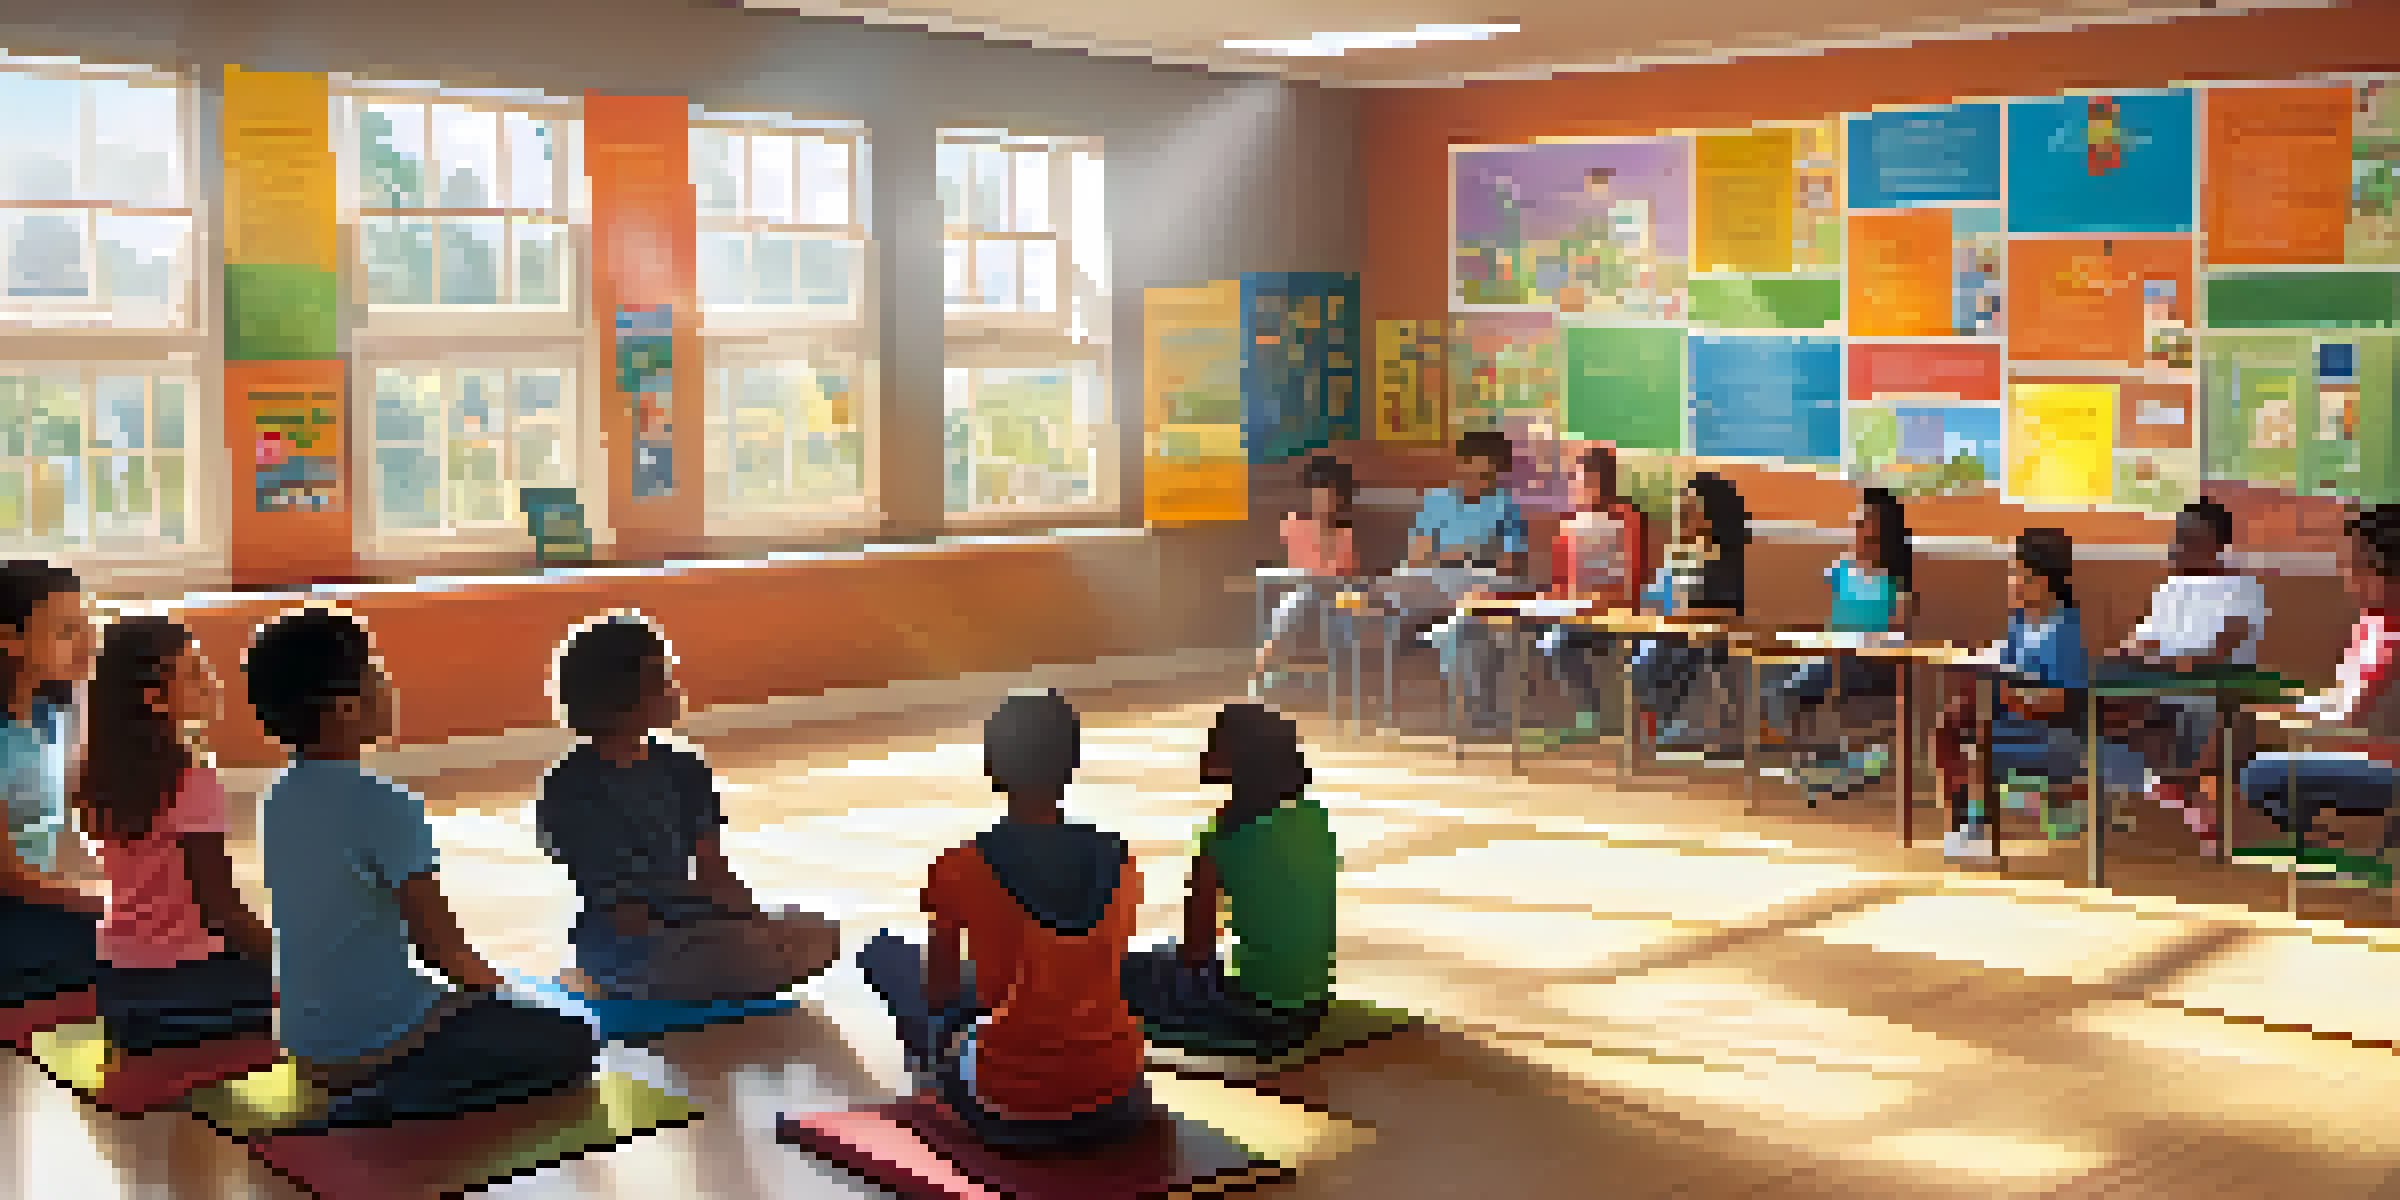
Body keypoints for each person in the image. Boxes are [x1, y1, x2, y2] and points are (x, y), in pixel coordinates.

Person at [247, 608, 597, 1132]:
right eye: (375, 671)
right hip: (382, 1045)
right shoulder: (385, 804)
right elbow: (443, 951)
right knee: (574, 1039)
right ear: (346, 706)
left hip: (306, 1045)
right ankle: (395, 1099)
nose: (387, 684)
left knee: (470, 1012)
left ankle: (391, 1084)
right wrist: (510, 1000)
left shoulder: (278, 797)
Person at [854, 691, 1151, 1152]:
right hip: (1120, 1093)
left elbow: (940, 993)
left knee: (884, 955)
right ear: (1071, 765)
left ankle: (941, 1074)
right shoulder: (1122, 859)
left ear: (992, 766)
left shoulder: (960, 865)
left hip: (1012, 1101)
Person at [537, 614, 840, 1008]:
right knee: (738, 953)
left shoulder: (683, 767)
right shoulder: (572, 788)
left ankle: (734, 967)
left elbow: (714, 871)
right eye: (660, 678)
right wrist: (725, 932)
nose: (672, 689)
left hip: (693, 922)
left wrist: (754, 920)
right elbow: (625, 911)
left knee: (818, 931)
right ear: (625, 692)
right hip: (630, 944)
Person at [78, 617, 276, 1057]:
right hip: (188, 990)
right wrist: (293, 962)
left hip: (118, 989)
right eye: (192, 672)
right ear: (153, 698)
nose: (209, 680)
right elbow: (220, 909)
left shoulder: (94, 776)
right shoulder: (191, 780)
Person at [1122, 704, 1336, 1061]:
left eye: (1214, 742)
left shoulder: (1222, 836)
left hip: (1255, 1008)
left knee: (1127, 970)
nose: (1205, 750)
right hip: (1312, 1001)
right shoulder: (1313, 817)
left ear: (1236, 759)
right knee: (1156, 959)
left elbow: (1196, 950)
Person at [1935, 529, 2144, 860]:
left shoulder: (2065, 633)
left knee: (1981, 742)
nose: (2014, 583)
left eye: (2025, 576)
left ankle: (1978, 828)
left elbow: (2059, 703)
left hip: (2055, 737)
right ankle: (1962, 825)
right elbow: (2006, 668)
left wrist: (2009, 697)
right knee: (1951, 723)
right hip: (2017, 722)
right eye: (2013, 573)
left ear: (2050, 583)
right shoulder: (2020, 623)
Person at [2099, 499, 2267, 856]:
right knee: (2095, 695)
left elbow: (2214, 657)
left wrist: (2159, 660)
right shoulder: (2173, 588)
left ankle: (2182, 796)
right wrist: (2159, 660)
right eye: (2177, 537)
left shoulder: (2243, 589)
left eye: (2190, 539)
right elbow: (2133, 644)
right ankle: (2144, 795)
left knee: (2179, 712)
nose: (2178, 547)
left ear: (2219, 546)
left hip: (2213, 698)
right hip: (2158, 690)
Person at [2238, 504, 2400, 862]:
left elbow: (2352, 716)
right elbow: (2340, 699)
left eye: (2359, 564)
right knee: (2261, 768)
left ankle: (2333, 854)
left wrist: (2287, 720)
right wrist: (2291, 708)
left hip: (2384, 767)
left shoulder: (2391, 636)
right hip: (2357, 755)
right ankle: (2336, 851)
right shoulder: (2370, 623)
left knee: (2260, 775)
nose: (2348, 574)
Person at [1763, 487, 1917, 794]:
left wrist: (1866, 643)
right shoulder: (1839, 570)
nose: (1857, 530)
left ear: (1883, 533)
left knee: (1795, 689)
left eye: (1865, 525)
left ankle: (1825, 759)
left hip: (1873, 663)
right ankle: (1810, 758)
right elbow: (1828, 621)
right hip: (1834, 656)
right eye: (1856, 523)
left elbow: (1900, 633)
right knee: (1774, 672)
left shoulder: (1896, 580)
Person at [0, 561, 102, 1012]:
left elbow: (60, 831)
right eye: (66, 630)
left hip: (40, 902)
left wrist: (120, 883)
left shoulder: (52, 717)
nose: (88, 642)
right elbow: (8, 875)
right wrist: (98, 904)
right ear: (10, 640)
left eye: (86, 625)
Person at [1383, 430, 1529, 735]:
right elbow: (1416, 556)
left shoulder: (1507, 506)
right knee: (1406, 586)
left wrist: (1462, 554)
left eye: (1489, 472)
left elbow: (1511, 563)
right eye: (1474, 467)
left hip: (1483, 584)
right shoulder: (1437, 501)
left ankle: (1469, 708)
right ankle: (1467, 705)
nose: (1479, 477)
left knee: (1463, 622)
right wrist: (1469, 552)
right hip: (1437, 582)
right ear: (1461, 465)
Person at [1529, 446, 1650, 748]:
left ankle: (1606, 720)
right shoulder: (1570, 522)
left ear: (1605, 482)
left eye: (1588, 480)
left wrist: (1603, 599)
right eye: (1578, 481)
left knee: (1566, 638)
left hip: (1619, 616)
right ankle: (1589, 715)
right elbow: (1560, 580)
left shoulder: (1628, 519)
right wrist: (1555, 597)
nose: (1581, 488)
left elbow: (1634, 578)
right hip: (1577, 612)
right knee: (1549, 639)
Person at [1630, 472, 1748, 751]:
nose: (1681, 517)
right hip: (1668, 637)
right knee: (1636, 653)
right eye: (1679, 509)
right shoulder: (1677, 555)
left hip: (1699, 645)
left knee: (1649, 660)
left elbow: (1727, 614)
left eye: (1689, 510)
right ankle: (1660, 724)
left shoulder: (1720, 559)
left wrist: (1678, 619)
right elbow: (1652, 598)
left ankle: (1680, 725)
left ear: (1709, 516)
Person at [1254, 456, 1361, 696]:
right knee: (1300, 598)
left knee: (1332, 607)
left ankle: (1268, 669)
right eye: (1319, 495)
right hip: (1299, 600)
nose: (1324, 502)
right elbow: (1290, 570)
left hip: (1332, 606)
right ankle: (1269, 677)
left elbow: (1348, 582)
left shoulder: (1345, 536)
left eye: (1331, 497)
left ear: (1340, 500)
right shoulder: (1293, 526)